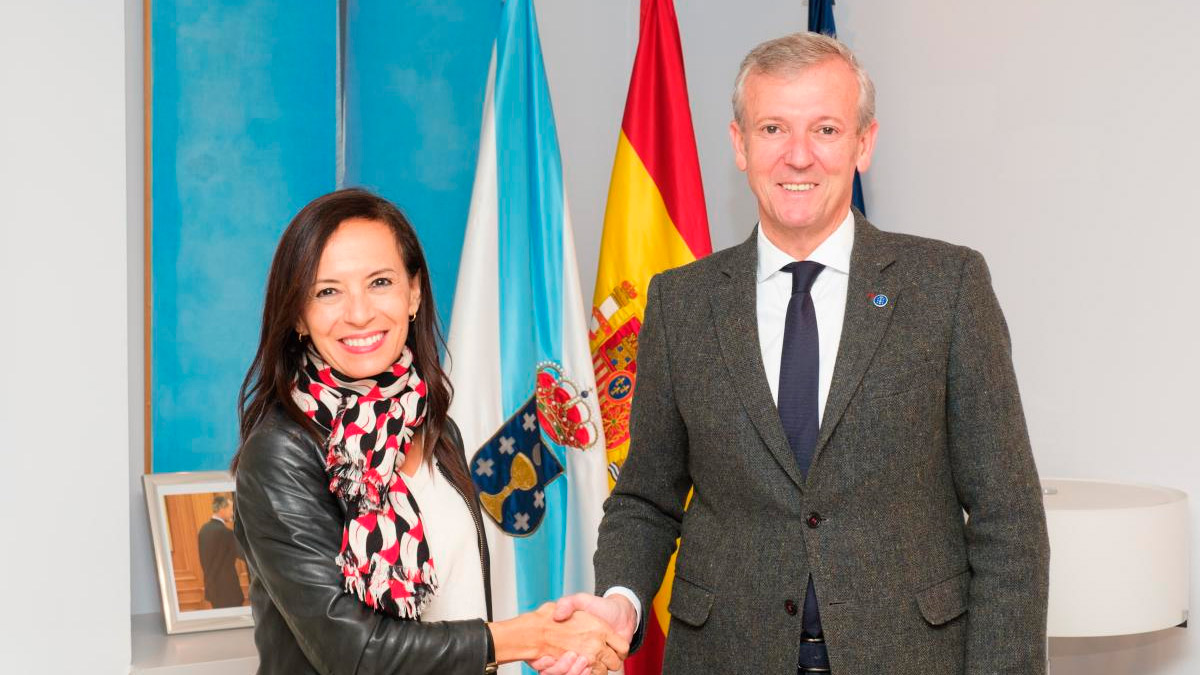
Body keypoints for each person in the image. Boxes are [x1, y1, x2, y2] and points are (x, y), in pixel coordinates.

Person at [542, 32, 1050, 674]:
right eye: (774, 128)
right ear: (740, 145)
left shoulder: (946, 287)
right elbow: (646, 497)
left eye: (826, 130)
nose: (799, 156)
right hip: (725, 658)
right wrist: (622, 599)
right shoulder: (681, 302)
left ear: (863, 144)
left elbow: (1009, 520)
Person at [231, 188, 627, 675]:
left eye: (379, 282)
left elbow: (461, 604)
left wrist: (552, 644)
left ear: (413, 292)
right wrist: (528, 636)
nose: (359, 313)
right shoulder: (280, 453)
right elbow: (351, 651)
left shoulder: (435, 425)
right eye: (327, 290)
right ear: (297, 315)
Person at [197, 493, 243, 608]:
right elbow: (243, 554)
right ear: (222, 509)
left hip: (213, 590)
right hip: (229, 591)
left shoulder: (203, 530)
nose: (232, 513)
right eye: (231, 509)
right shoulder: (226, 533)